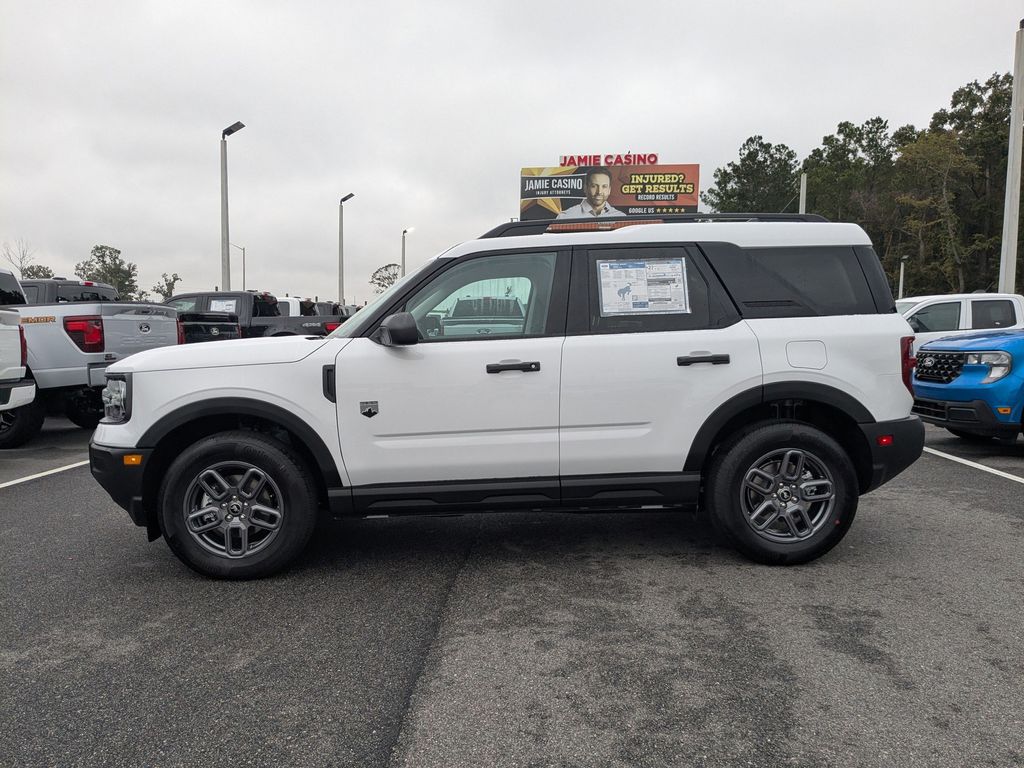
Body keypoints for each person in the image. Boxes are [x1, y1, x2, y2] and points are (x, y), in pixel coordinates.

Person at [557, 167, 623, 218]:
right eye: (594, 186)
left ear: (609, 190)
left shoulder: (620, 217)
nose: (599, 192)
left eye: (604, 186)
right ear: (585, 188)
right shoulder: (566, 217)